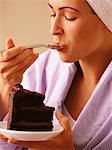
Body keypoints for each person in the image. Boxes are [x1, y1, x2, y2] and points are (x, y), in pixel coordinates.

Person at [0, 0, 112, 149]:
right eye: (52, 13)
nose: (54, 29)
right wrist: (6, 86)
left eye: (69, 16)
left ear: (106, 18)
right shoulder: (44, 67)